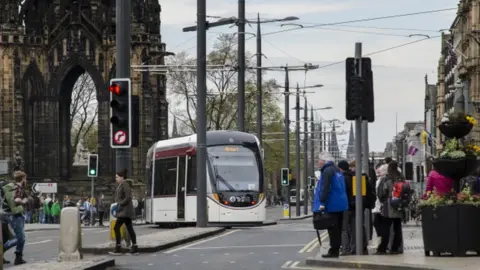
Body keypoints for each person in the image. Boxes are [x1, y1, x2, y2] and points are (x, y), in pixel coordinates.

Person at [313, 152, 348, 258]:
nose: (318, 163)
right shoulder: (337, 170)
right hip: (340, 204)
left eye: (319, 160)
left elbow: (325, 188)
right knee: (337, 228)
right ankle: (335, 249)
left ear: (324, 161)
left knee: (332, 229)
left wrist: (322, 203)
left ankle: (333, 251)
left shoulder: (327, 171)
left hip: (331, 204)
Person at [339, 160, 374, 255]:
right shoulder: (363, 177)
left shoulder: (346, 177)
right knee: (358, 226)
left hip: (349, 206)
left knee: (347, 228)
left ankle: (349, 249)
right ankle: (361, 247)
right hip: (359, 205)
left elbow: (344, 192)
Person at [376, 161, 405, 255]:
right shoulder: (401, 177)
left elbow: (382, 193)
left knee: (385, 228)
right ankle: (395, 248)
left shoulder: (387, 178)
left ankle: (382, 248)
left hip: (388, 205)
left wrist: (383, 201)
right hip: (399, 205)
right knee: (397, 227)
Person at [109, 169, 138, 255]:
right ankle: (134, 247)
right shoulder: (121, 185)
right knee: (129, 229)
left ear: (122, 177)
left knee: (116, 228)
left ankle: (118, 247)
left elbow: (128, 197)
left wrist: (120, 204)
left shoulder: (125, 185)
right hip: (123, 211)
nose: (116, 179)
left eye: (117, 177)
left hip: (124, 211)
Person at [4, 171, 28, 264]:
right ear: (22, 179)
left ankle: (18, 257)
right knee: (20, 238)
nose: (25, 180)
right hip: (16, 215)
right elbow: (17, 199)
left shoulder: (13, 187)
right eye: (25, 178)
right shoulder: (17, 187)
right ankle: (17, 257)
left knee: (17, 237)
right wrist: (24, 201)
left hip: (12, 214)